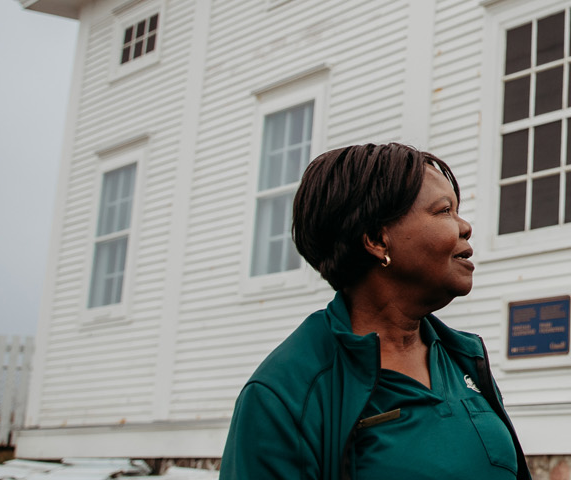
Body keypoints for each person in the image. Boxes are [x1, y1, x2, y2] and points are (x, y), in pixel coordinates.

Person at [221, 143, 531, 480]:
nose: (465, 226)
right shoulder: (284, 395)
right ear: (376, 240)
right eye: (444, 211)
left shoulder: (464, 360)